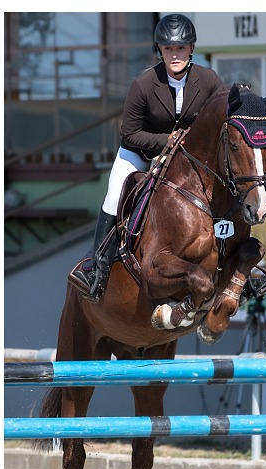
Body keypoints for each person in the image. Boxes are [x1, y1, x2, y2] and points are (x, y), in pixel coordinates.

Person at [69, 14, 225, 302]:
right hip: (141, 153)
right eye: (168, 49)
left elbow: (220, 117)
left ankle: (238, 268)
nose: (174, 54)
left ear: (191, 48)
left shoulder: (209, 80)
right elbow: (129, 134)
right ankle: (97, 266)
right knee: (115, 194)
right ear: (160, 51)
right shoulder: (143, 83)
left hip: (187, 160)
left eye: (180, 48)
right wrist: (165, 141)